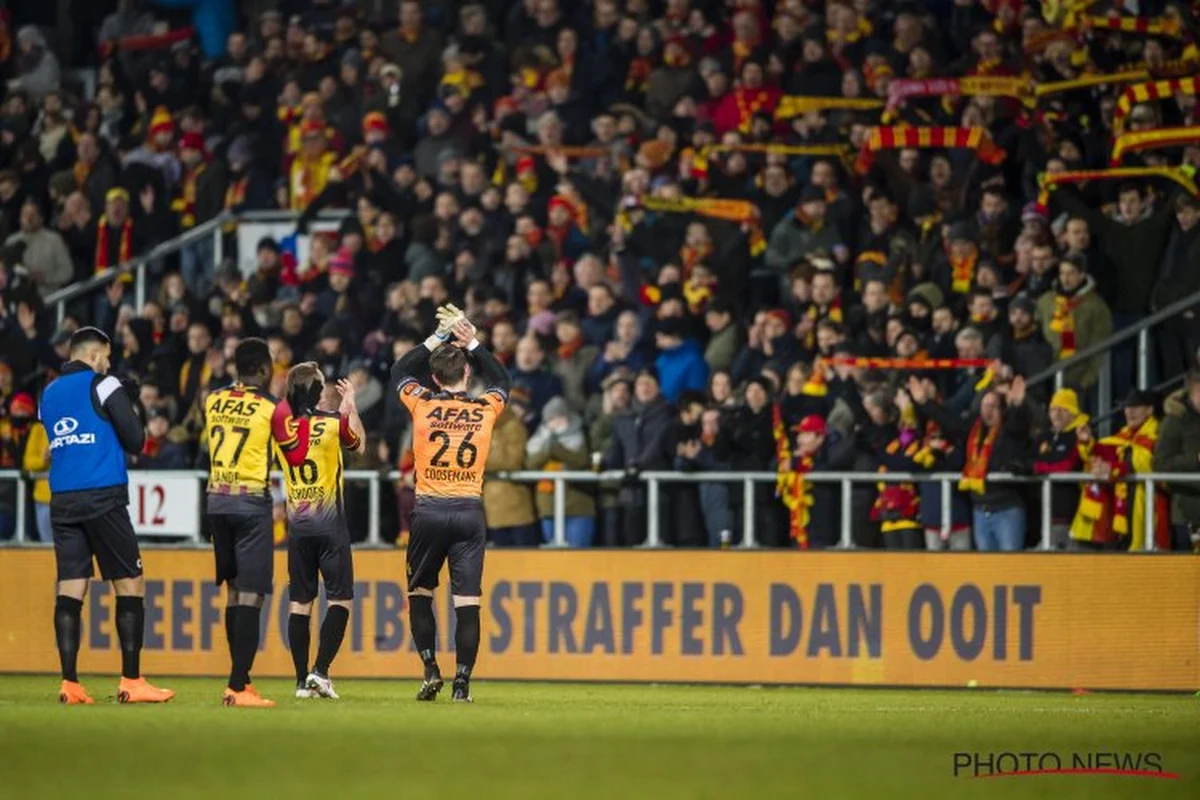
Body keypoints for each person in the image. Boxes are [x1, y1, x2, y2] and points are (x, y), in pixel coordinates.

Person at [39, 327, 173, 705]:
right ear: (96, 354)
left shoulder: (47, 394)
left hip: (62, 499)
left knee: (70, 586)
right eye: (107, 357)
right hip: (103, 496)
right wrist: (127, 403)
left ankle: (70, 683)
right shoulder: (104, 383)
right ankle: (132, 680)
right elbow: (136, 440)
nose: (110, 364)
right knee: (130, 582)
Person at [390, 304, 511, 703]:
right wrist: (471, 339)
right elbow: (502, 379)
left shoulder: (422, 402)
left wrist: (438, 336)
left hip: (427, 511)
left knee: (421, 593)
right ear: (467, 374)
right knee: (467, 603)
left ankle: (429, 668)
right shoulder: (485, 409)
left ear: (433, 377)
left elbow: (399, 371)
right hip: (468, 512)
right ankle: (462, 684)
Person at [274, 364, 366, 701]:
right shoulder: (331, 424)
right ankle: (321, 671)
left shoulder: (282, 431)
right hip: (331, 527)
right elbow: (359, 446)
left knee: (300, 603)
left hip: (298, 528)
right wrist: (350, 408)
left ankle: (301, 682)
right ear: (315, 391)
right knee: (340, 598)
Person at [202, 338, 281, 708]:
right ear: (265, 369)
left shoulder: (213, 400)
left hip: (216, 500)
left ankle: (241, 680)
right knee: (252, 593)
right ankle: (237, 686)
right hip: (250, 501)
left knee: (233, 591)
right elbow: (289, 450)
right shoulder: (271, 406)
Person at [1154, 370, 1200, 552]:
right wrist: (1195, 459)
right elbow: (1160, 465)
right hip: (1188, 513)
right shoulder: (1174, 421)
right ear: (1191, 391)